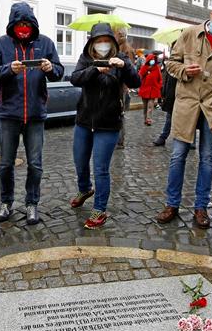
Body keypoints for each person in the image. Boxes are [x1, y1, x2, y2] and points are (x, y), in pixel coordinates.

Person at [155, 0, 212, 229]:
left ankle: (201, 207)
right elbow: (171, 63)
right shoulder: (189, 34)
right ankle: (172, 204)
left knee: (207, 157)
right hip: (187, 104)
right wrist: (185, 70)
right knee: (178, 156)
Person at [0, 2, 64, 225]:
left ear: (32, 24)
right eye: (19, 24)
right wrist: (8, 69)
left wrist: (51, 68)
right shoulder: (1, 43)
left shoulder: (45, 43)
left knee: (35, 164)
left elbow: (58, 72)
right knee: (5, 164)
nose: (23, 28)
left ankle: (32, 204)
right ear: (13, 24)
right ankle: (6, 202)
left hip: (35, 114)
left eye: (26, 23)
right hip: (8, 114)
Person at [69, 23, 141, 228]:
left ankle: (99, 209)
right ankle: (85, 189)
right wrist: (94, 69)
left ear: (112, 42)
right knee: (80, 162)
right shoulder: (86, 59)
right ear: (92, 43)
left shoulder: (121, 58)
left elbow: (136, 82)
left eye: (106, 41)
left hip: (108, 124)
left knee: (100, 168)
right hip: (84, 121)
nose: (102, 44)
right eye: (98, 41)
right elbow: (75, 78)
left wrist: (124, 66)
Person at [153, 41, 178, 146]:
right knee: (169, 118)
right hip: (171, 95)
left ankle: (191, 141)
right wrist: (163, 94)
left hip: (183, 96)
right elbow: (166, 80)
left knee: (188, 120)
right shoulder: (170, 63)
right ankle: (163, 137)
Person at [115, 29, 136, 149]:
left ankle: (119, 141)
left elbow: (130, 69)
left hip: (121, 86)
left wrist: (126, 86)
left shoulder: (126, 49)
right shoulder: (117, 47)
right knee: (119, 113)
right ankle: (118, 140)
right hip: (120, 85)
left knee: (120, 113)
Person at [138, 53, 162, 126]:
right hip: (144, 90)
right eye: (151, 59)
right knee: (145, 107)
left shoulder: (157, 68)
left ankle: (149, 120)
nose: (153, 61)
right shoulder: (144, 67)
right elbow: (139, 76)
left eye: (154, 60)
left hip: (153, 90)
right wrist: (147, 70)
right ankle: (145, 119)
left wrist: (158, 86)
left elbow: (160, 79)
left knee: (150, 106)